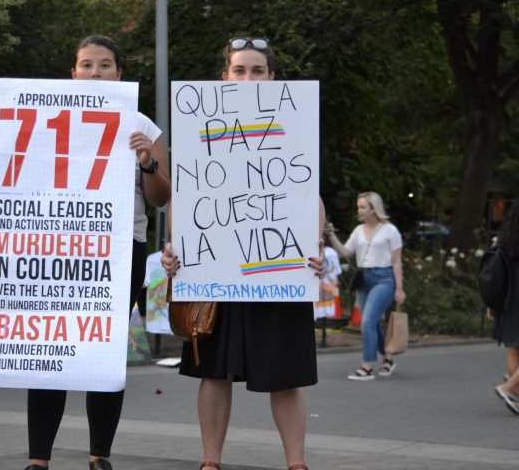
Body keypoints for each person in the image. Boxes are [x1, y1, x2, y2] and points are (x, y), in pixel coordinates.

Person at [161, 36, 325, 470]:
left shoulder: (296, 125)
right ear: (224, 78)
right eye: (240, 70)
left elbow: (309, 193)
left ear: (273, 78)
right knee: (215, 373)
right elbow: (187, 191)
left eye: (257, 71)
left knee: (286, 376)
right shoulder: (201, 127)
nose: (248, 78)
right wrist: (177, 248)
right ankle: (209, 463)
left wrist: (317, 244)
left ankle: (297, 464)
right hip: (218, 274)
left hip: (279, 272)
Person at [24, 35, 171, 470]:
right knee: (49, 348)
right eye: (86, 64)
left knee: (104, 350)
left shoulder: (143, 125)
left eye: (104, 65)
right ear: (72, 73)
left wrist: (148, 163)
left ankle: (98, 455)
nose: (94, 72)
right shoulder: (47, 117)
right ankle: (38, 459)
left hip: (121, 249)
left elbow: (160, 198)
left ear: (119, 74)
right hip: (60, 248)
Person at [324, 191, 406, 381]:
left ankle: (367, 366)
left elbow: (397, 262)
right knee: (373, 323)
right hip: (363, 278)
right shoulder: (358, 230)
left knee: (367, 321)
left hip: (384, 279)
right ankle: (387, 357)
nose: (359, 211)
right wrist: (332, 235)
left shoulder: (390, 230)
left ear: (373, 209)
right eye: (358, 207)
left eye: (362, 207)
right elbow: (345, 252)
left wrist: (399, 288)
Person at [487, 204, 519, 415]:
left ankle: (515, 396)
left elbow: (495, 276)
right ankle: (507, 387)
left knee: (514, 349)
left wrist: (491, 304)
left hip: (509, 301)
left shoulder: (504, 239)